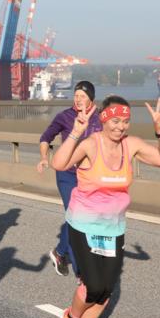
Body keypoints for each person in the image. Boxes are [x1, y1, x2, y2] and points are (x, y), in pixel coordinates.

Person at [51, 97, 160, 318]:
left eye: (126, 121)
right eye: (116, 121)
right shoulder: (90, 144)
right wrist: (75, 131)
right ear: (105, 120)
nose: (121, 127)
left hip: (113, 228)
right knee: (92, 284)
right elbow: (59, 164)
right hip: (83, 224)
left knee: (106, 289)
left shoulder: (131, 145)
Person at [37, 81, 101, 277]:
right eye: (76, 95)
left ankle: (60, 252)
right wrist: (44, 158)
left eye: (83, 96)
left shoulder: (100, 119)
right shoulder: (65, 116)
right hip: (67, 174)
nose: (78, 99)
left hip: (90, 175)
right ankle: (81, 272)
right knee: (76, 217)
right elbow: (46, 137)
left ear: (91, 99)